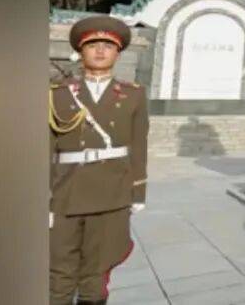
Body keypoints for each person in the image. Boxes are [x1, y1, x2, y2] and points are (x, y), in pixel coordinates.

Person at [50, 16, 149, 305]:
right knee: (59, 272)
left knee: (96, 272)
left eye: (108, 45)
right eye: (93, 45)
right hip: (64, 192)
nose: (101, 51)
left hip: (111, 193)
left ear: (117, 53)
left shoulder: (133, 94)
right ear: (81, 52)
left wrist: (138, 191)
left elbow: (139, 144)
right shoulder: (58, 94)